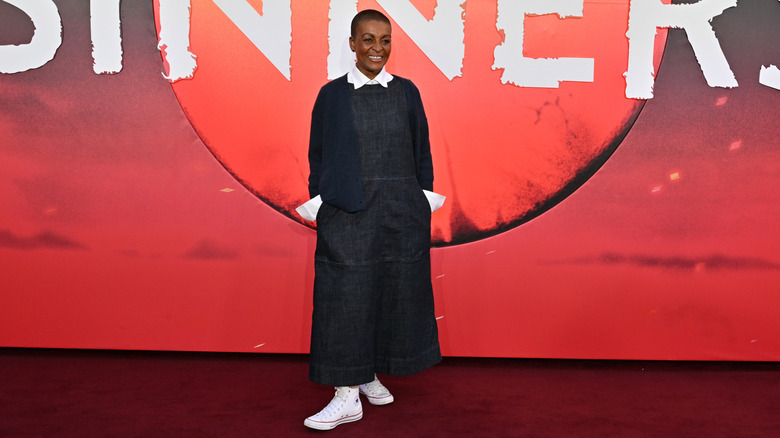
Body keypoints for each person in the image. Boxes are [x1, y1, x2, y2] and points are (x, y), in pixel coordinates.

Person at [303, 9, 442, 431]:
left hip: (399, 211)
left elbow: (422, 153)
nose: (376, 49)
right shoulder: (331, 96)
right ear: (351, 43)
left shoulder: (406, 92)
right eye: (367, 39)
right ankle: (346, 395)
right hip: (349, 212)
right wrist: (323, 200)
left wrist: (420, 202)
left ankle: (366, 374)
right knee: (345, 298)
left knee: (391, 293)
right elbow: (318, 155)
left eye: (384, 41)